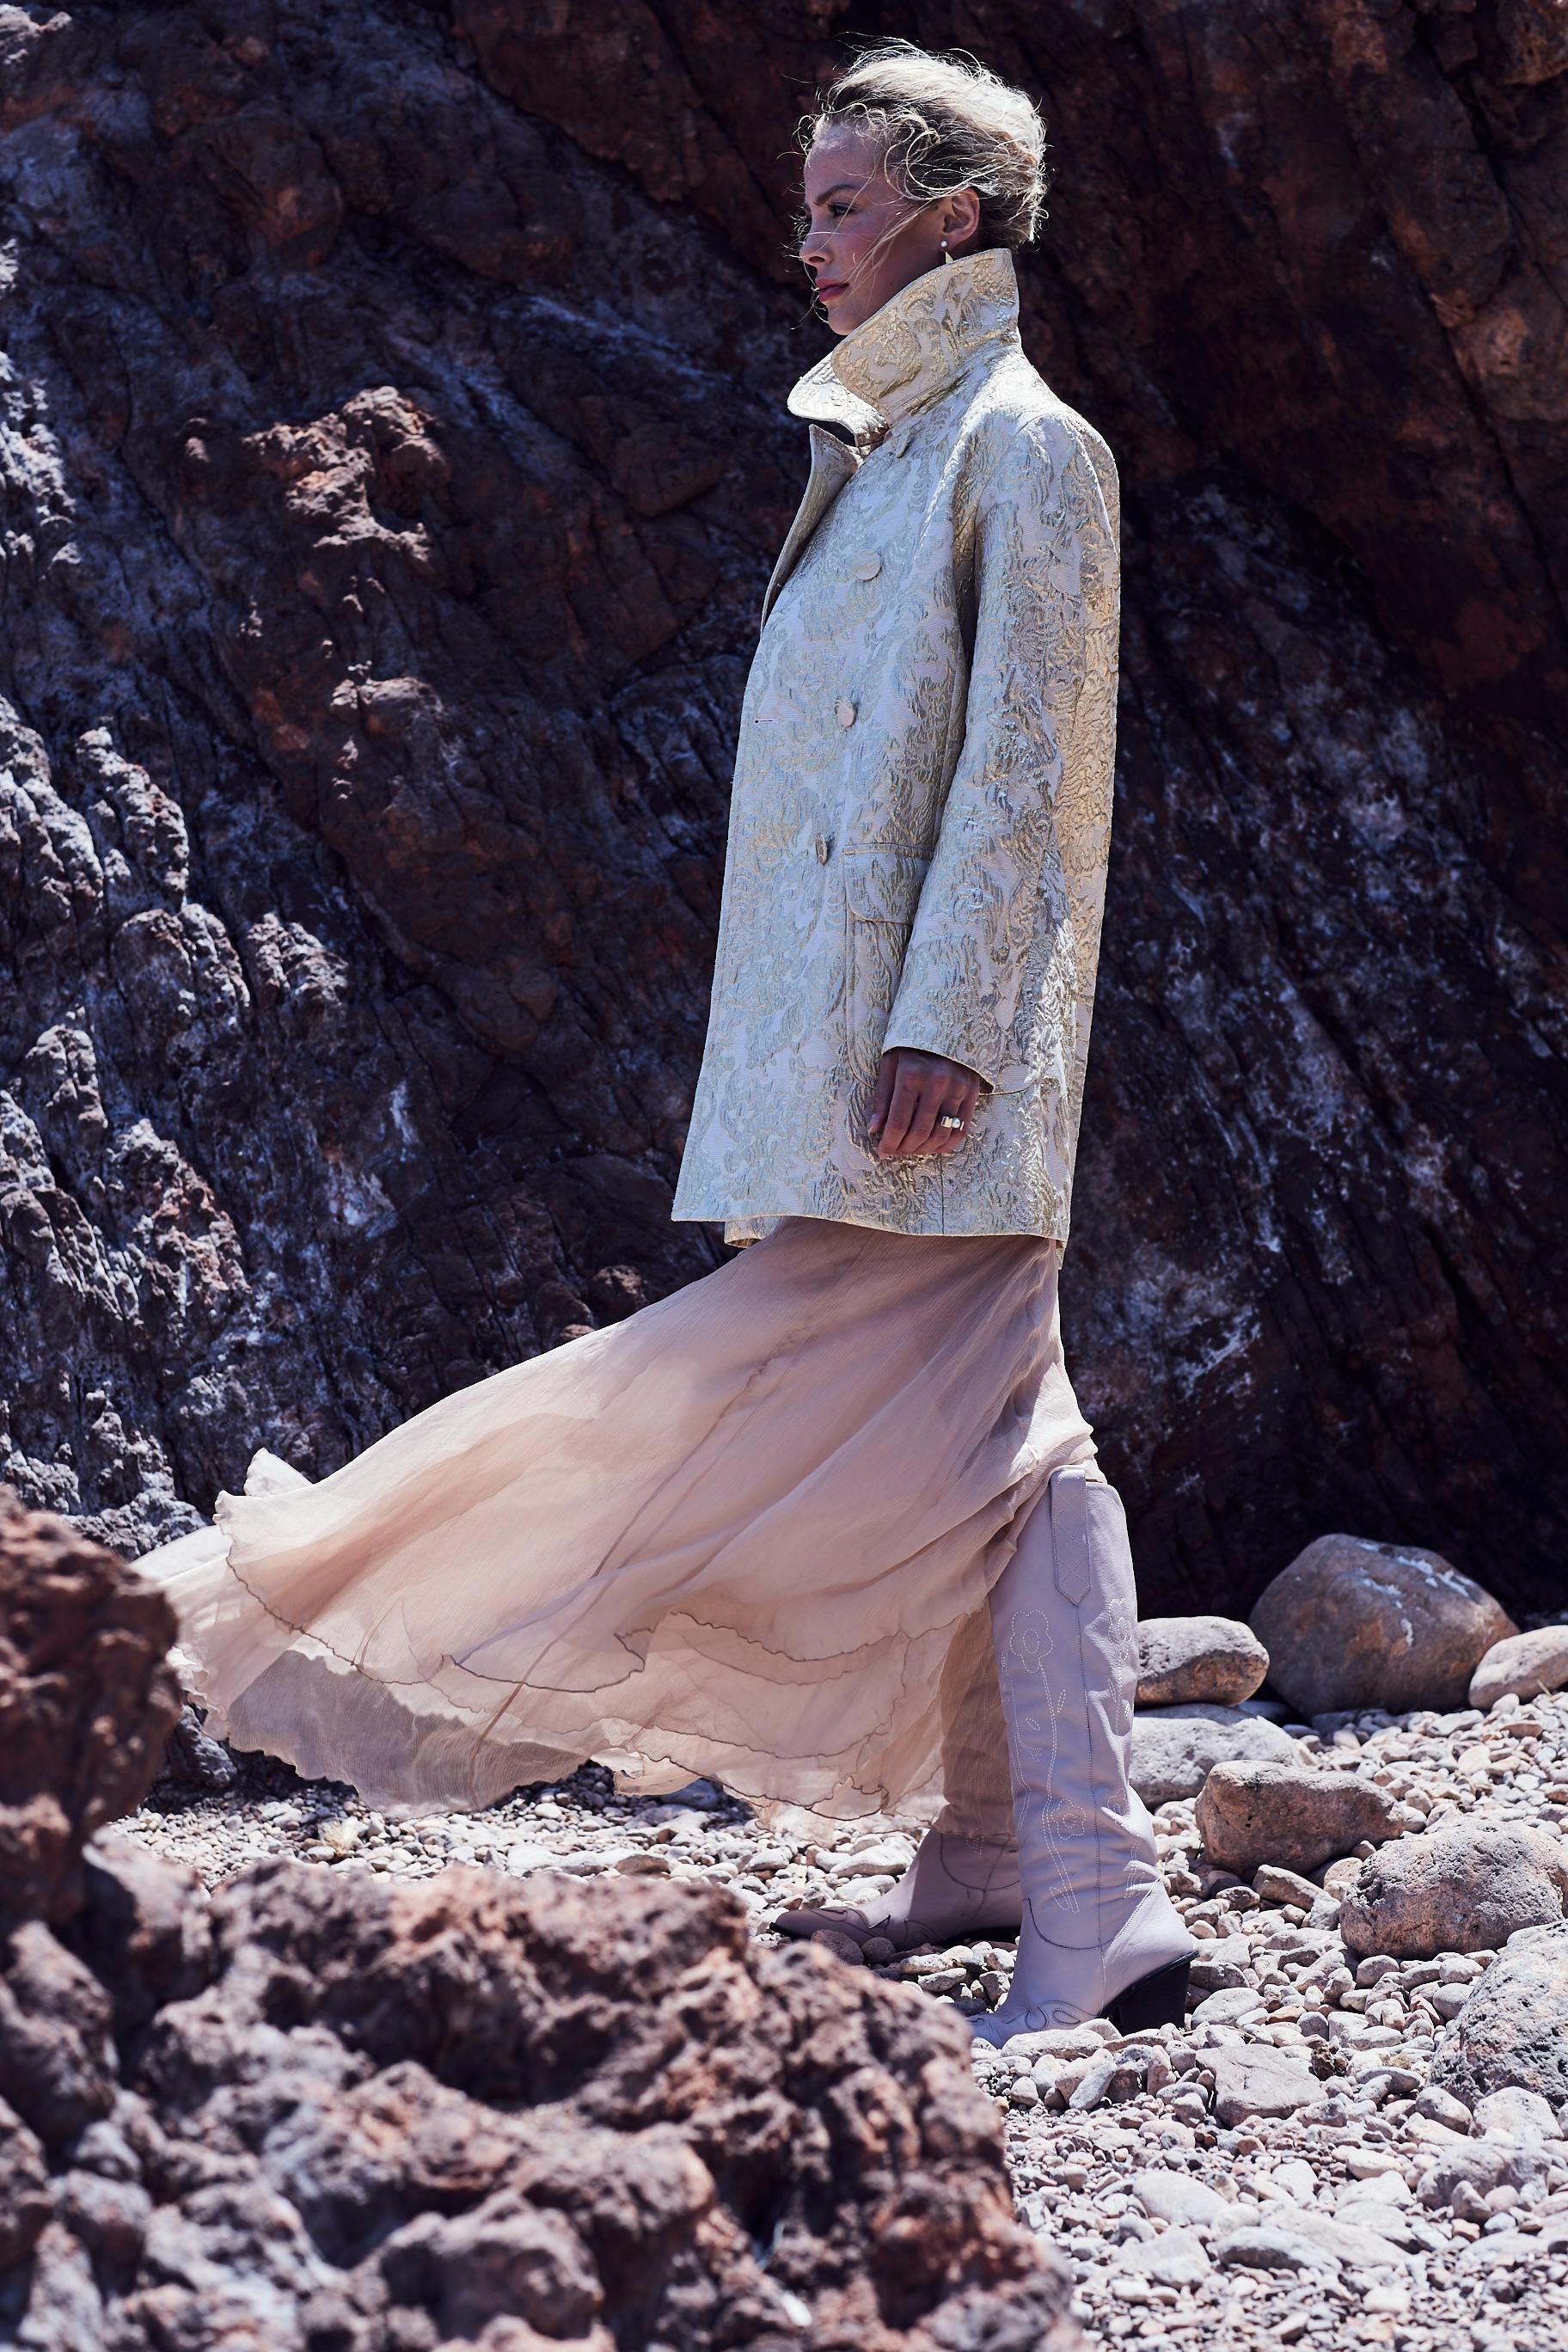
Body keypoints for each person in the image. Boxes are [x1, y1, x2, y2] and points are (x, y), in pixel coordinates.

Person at [137, 40, 1192, 2041]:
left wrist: (955, 1029)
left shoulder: (1022, 448)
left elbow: (1033, 783)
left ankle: (281, 1598)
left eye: (846, 207)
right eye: (809, 205)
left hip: (937, 1067)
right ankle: (1024, 1860)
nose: (808, 245)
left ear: (951, 221)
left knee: (703, 1396)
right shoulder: (886, 445)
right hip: (857, 1065)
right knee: (1013, 1441)